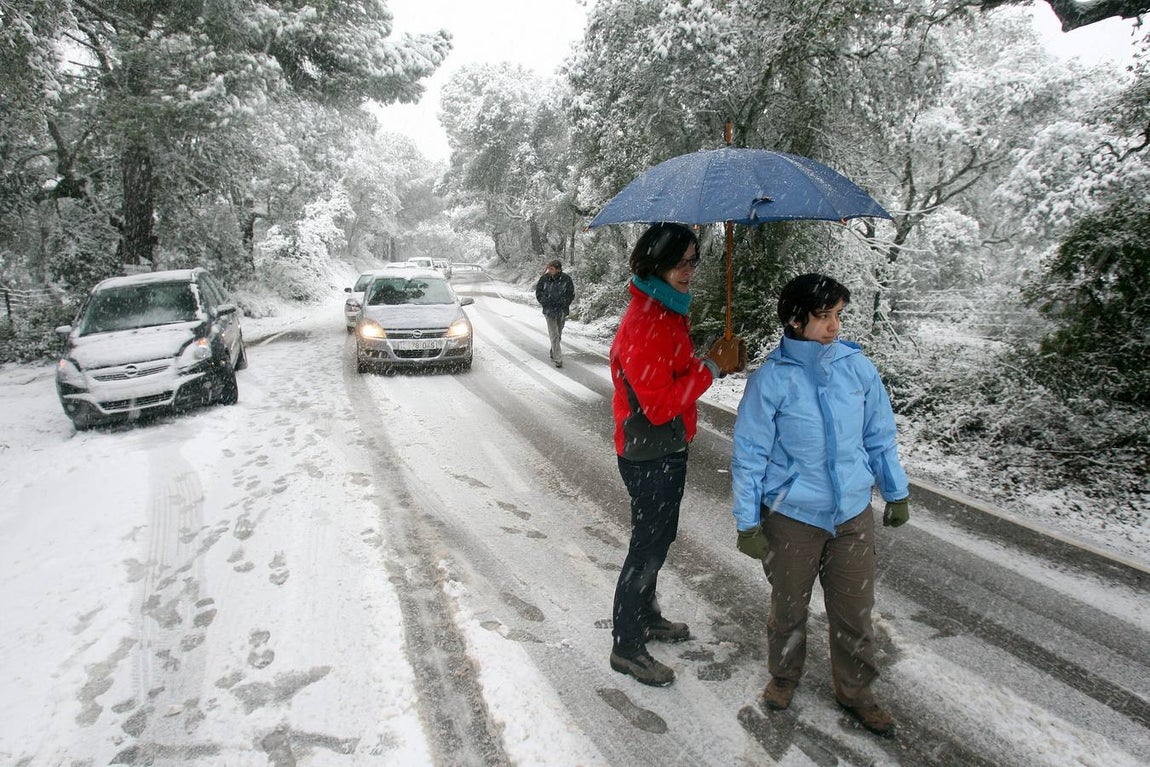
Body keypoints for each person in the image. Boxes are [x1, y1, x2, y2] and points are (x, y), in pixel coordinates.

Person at [729, 273, 910, 737]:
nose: (834, 326)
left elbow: (879, 435)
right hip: (792, 516)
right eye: (824, 316)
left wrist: (895, 490)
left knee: (855, 610)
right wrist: (748, 522)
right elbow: (749, 456)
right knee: (789, 607)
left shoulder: (857, 368)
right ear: (795, 319)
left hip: (851, 513)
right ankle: (784, 676)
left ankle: (856, 691)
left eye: (838, 316)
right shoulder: (771, 379)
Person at [609, 222, 745, 687]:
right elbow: (661, 402)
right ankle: (627, 646)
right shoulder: (645, 320)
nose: (688, 271)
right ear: (655, 262)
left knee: (658, 538)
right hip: (648, 452)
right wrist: (711, 367)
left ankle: (646, 616)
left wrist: (711, 359)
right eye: (679, 262)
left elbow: (679, 372)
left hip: (667, 446)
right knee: (647, 547)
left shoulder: (667, 312)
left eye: (693, 261)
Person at [535, 259, 575, 367]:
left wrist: (564, 302)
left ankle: (553, 350)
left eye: (552, 269)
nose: (549, 270)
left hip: (561, 310)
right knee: (554, 334)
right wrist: (545, 301)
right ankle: (558, 358)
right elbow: (538, 292)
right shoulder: (544, 278)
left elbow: (571, 294)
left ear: (558, 269)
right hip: (549, 310)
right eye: (549, 268)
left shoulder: (566, 279)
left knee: (559, 333)